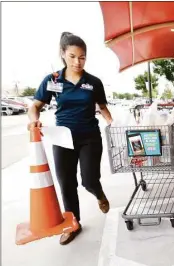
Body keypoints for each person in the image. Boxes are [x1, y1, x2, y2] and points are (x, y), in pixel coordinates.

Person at [27, 32, 113, 245]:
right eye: (73, 56)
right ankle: (73, 223)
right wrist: (34, 120)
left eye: (82, 57)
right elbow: (35, 106)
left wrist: (114, 125)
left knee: (89, 180)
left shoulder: (93, 82)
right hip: (62, 139)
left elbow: (102, 108)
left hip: (89, 138)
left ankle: (99, 194)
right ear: (63, 55)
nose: (77, 61)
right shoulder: (52, 80)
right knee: (66, 183)